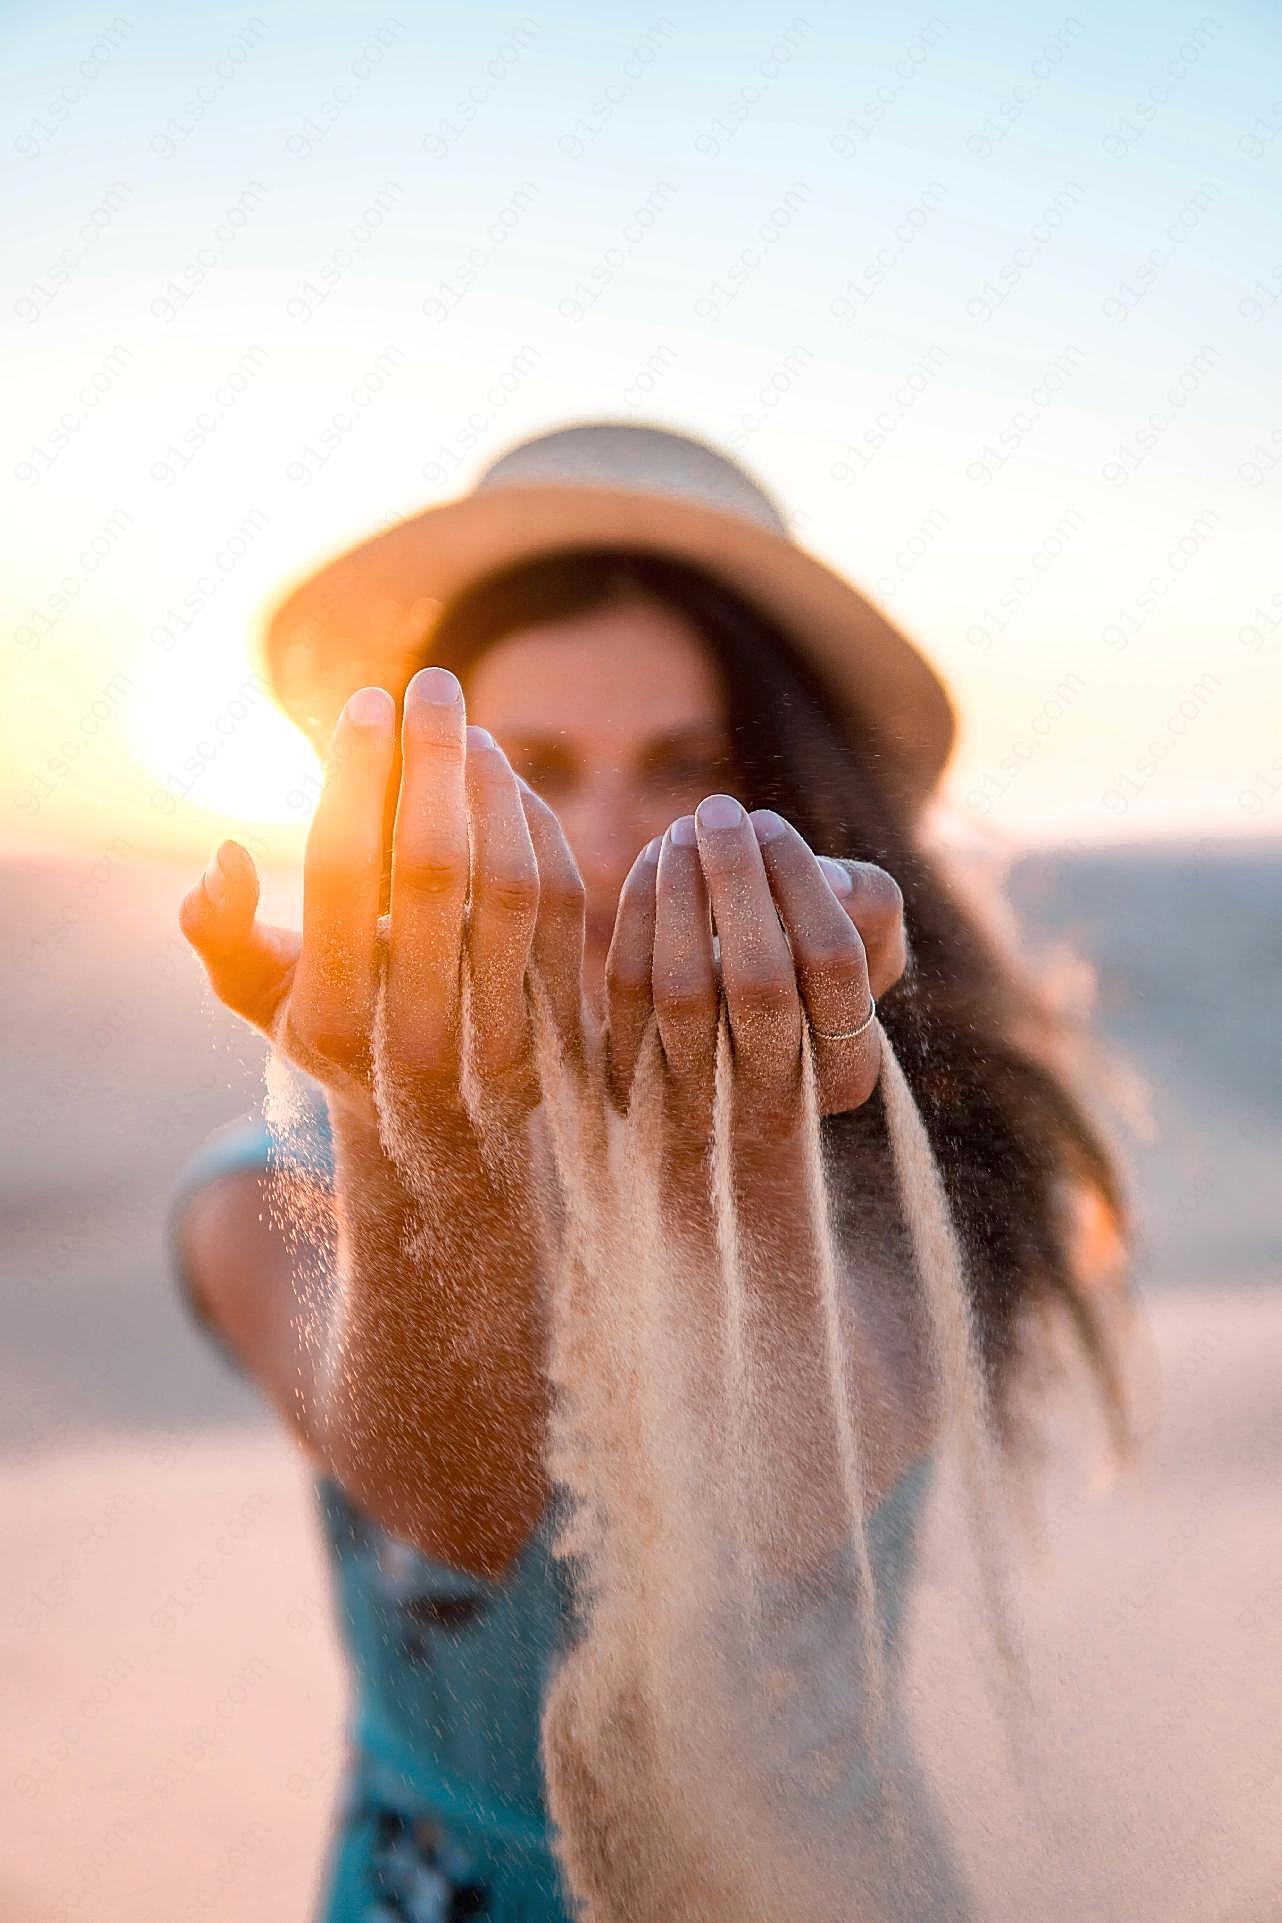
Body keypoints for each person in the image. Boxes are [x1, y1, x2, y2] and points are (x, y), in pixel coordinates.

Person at [170, 420, 1135, 1922]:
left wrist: (719, 1178)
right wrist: (433, 1126)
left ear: (802, 801)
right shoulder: (266, 1187)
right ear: (416, 808)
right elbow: (469, 1500)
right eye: (531, 767)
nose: (609, 840)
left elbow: (755, 1513)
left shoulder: (922, 1157)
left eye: (686, 766)